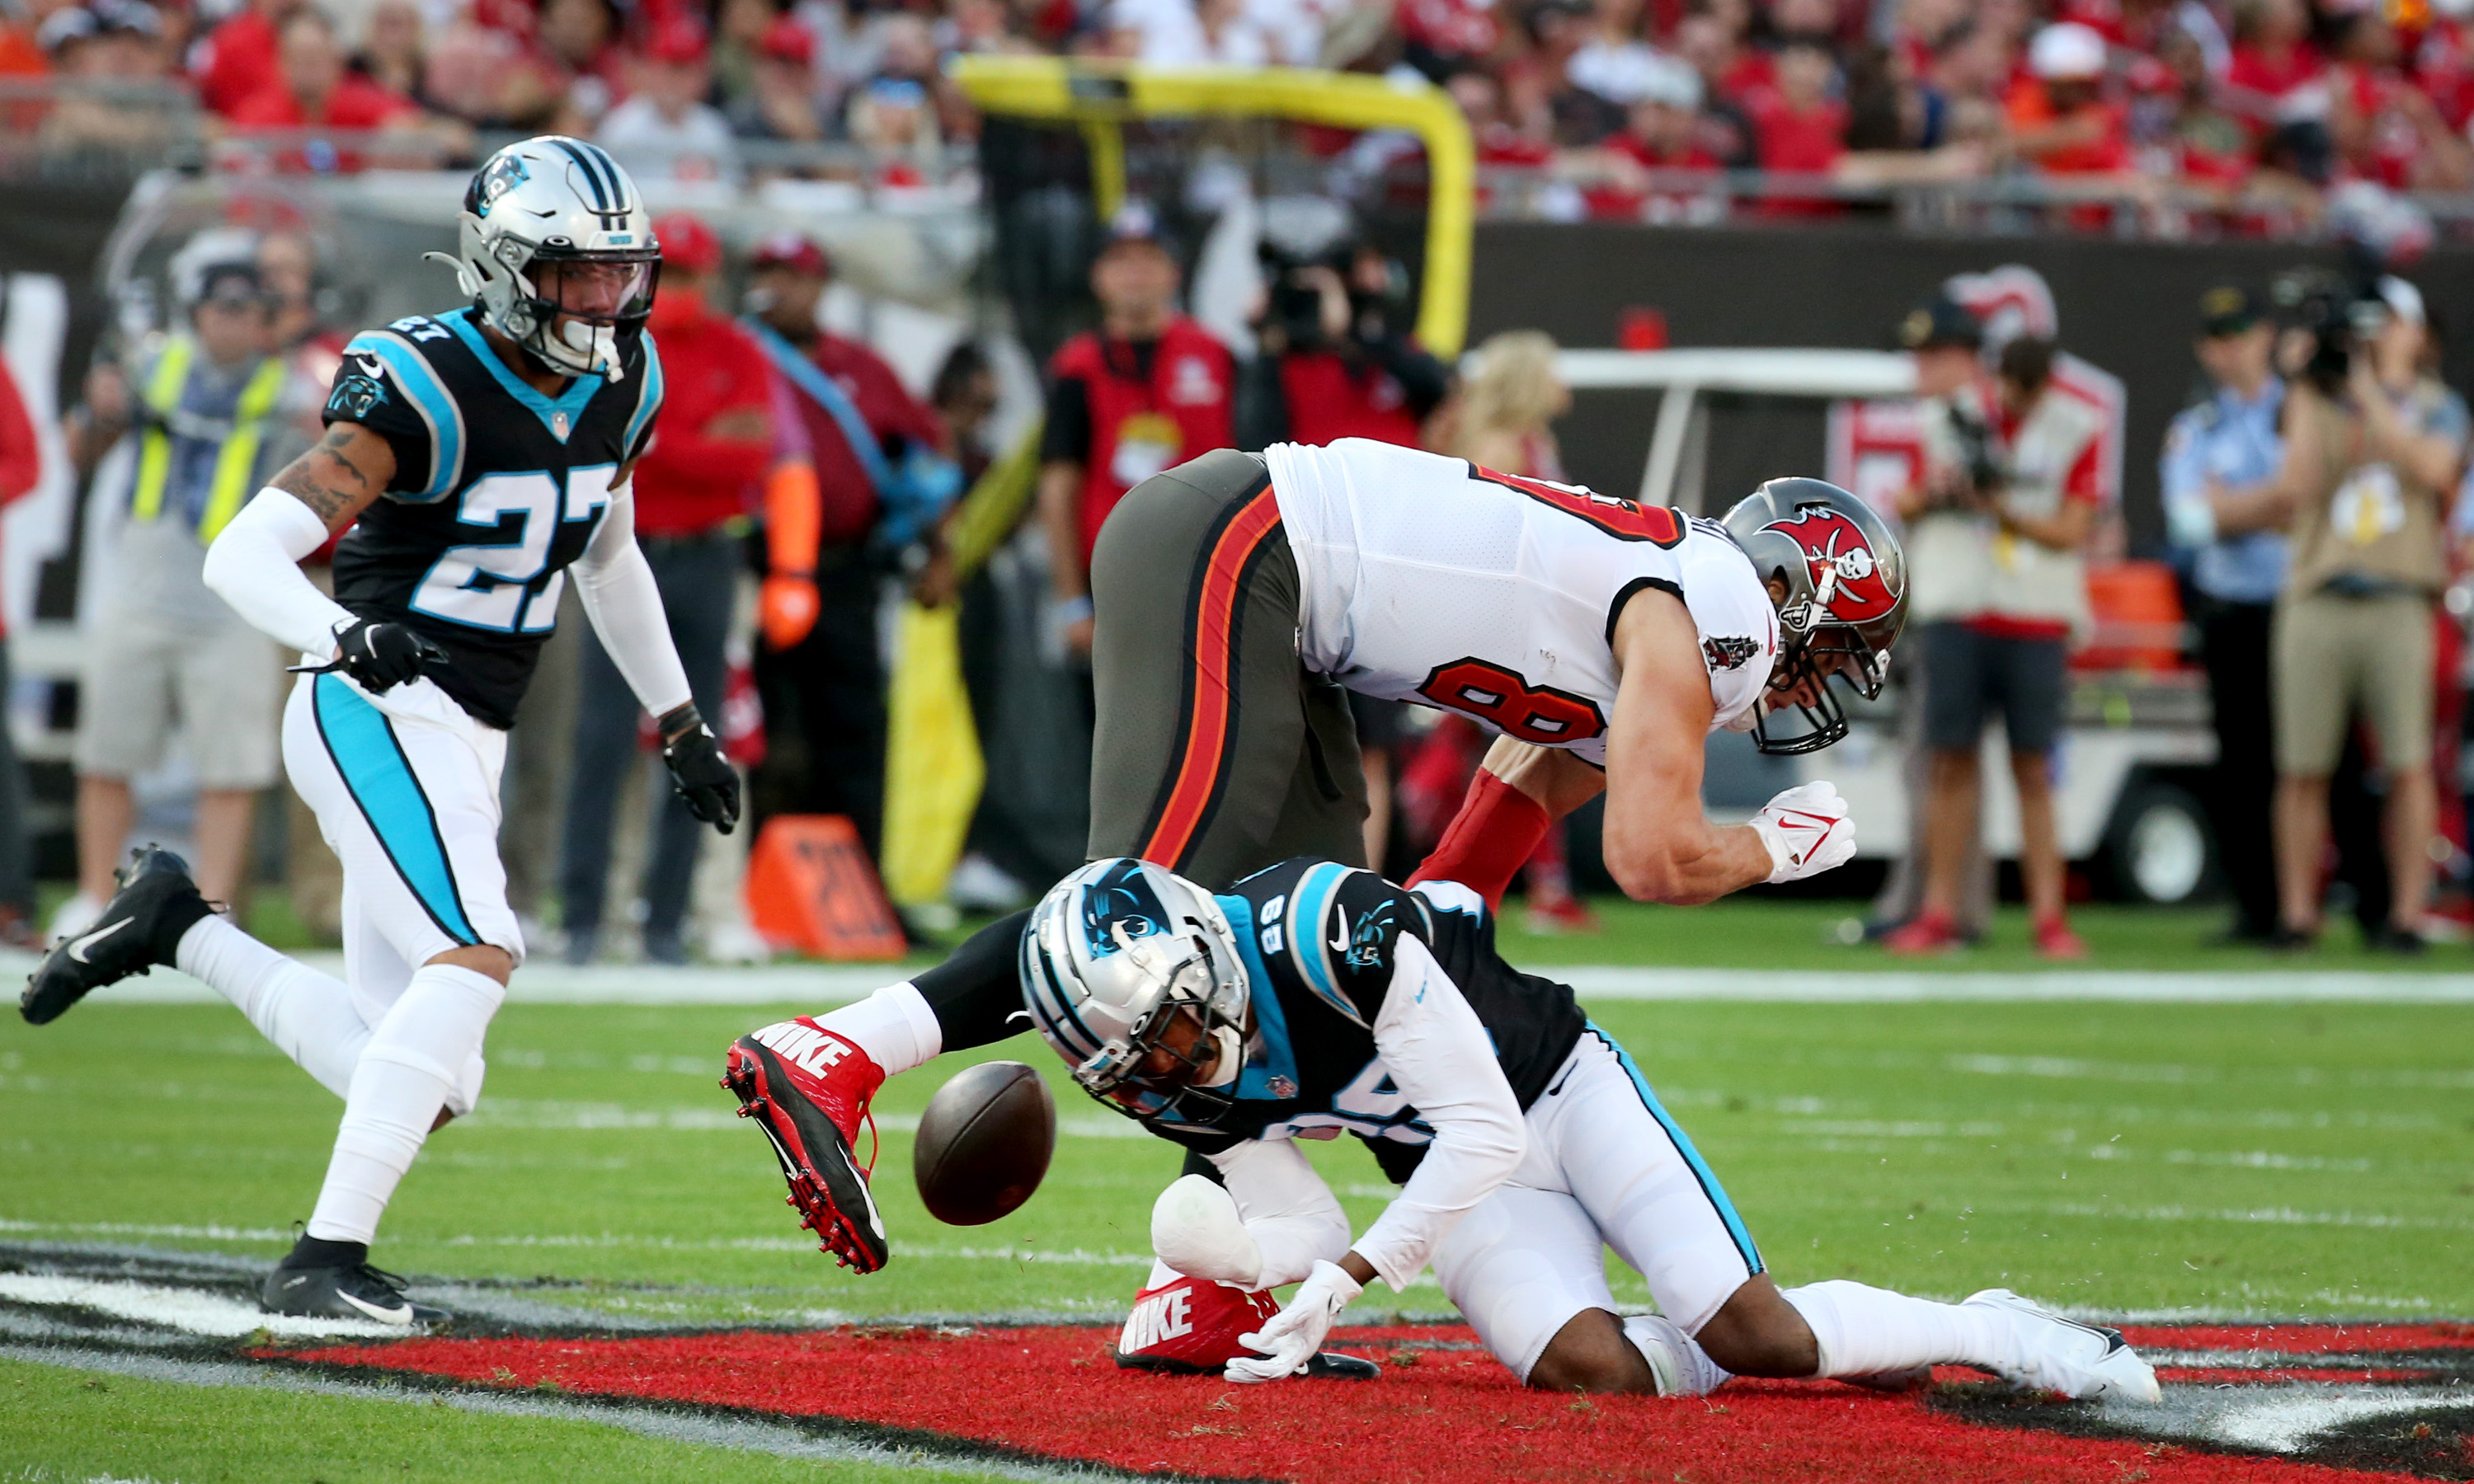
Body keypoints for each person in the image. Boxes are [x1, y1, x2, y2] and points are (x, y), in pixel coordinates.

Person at [721, 449, 1907, 1281]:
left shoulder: (1676, 614)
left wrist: (1435, 926)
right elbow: (1651, 860)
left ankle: (1196, 1287)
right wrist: (1785, 846)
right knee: (1138, 943)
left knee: (1303, 998)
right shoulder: (1720, 613)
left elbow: (1519, 790)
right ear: (1795, 594)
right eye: (1836, 652)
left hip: (1294, 617)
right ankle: (835, 1051)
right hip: (1244, 546)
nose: (1816, 688)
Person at [19, 137, 739, 1329]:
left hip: (469, 729)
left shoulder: (626, 377)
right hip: (377, 706)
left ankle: (178, 926)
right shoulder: (426, 382)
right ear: (506, 267)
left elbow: (605, 558)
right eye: (578, 275)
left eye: (621, 273)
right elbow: (241, 553)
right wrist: (342, 630)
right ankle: (320, 1259)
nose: (607, 300)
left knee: (428, 1080)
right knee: (479, 956)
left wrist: (679, 717)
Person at [727, 854, 2161, 1402]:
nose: (1183, 1054)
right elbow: (1289, 1190)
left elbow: (1477, 1126)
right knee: (1590, 1374)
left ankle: (1997, 1325)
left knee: (1756, 1335)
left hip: (1550, 1095)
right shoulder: (1150, 1065)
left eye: (1175, 1020)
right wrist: (1270, 1266)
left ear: (1195, 943)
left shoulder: (1323, 928)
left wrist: (1351, 1283)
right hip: (1441, 1167)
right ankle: (1873, 1345)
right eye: (1148, 1050)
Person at [59, 250, 300, 929]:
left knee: (229, 765)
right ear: (196, 314)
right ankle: (93, 895)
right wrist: (98, 411)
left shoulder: (290, 390)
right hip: (143, 585)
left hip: (233, 602)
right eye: (223, 308)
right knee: (107, 751)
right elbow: (77, 452)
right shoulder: (150, 368)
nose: (234, 324)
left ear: (266, 323)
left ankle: (211, 907)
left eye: (250, 311)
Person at [559, 214, 769, 965]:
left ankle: (666, 922)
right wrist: (695, 441)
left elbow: (747, 455)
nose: (676, 290)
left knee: (694, 737)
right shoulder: (610, 350)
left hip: (706, 555)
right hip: (622, 549)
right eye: (665, 274)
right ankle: (583, 914)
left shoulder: (733, 351)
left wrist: (659, 443)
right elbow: (608, 446)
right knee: (601, 741)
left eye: (688, 275)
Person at [1887, 321, 2105, 960]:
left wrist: (2004, 511)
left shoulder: (2076, 426)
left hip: (2035, 612)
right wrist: (1942, 495)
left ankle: (2049, 918)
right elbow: (1905, 499)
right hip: (1959, 605)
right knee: (1950, 762)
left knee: (2033, 769)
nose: (2020, 404)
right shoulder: (1948, 419)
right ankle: (1939, 912)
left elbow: (2071, 530)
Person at [2264, 275, 2468, 951]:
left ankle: (2408, 913)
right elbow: (2298, 487)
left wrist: (2372, 389)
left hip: (2397, 593)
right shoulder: (2321, 399)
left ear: (2414, 334)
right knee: (2301, 765)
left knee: (2409, 764)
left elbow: (2436, 470)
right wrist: (2304, 385)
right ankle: (2299, 913)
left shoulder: (2439, 406)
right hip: (2319, 590)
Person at [741, 231, 951, 857]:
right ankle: (757, 882)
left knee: (855, 725)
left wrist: (939, 550)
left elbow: (926, 457)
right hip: (756, 564)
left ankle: (863, 886)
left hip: (844, 570)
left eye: (795, 276)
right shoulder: (739, 354)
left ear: (822, 287)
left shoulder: (862, 367)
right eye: (769, 273)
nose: (780, 287)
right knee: (757, 726)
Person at [1437, 329, 1593, 932]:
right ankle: (1534, 888)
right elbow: (1489, 537)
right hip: (1500, 610)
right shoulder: (1499, 444)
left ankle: (1475, 881)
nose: (1563, 385)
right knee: (1525, 744)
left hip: (1525, 608)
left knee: (1500, 750)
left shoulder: (1529, 438)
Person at [1037, 208, 1235, 670]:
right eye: (1120, 260)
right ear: (1098, 277)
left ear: (1174, 273)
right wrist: (1071, 602)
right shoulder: (1078, 367)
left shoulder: (1217, 356)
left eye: (1148, 259)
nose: (1134, 274)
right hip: (1114, 583)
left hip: (1207, 577)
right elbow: (1057, 486)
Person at [2161, 285, 2288, 946]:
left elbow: (2315, 500)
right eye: (2217, 336)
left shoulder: (2300, 409)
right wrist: (2273, 505)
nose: (2227, 348)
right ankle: (2257, 907)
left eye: (2239, 332)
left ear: (2264, 335)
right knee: (2241, 764)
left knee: (2317, 761)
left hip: (2296, 605)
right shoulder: (2199, 421)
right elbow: (2189, 519)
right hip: (2232, 609)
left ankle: (2353, 903)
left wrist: (2233, 506)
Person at [1248, 237, 1452, 453]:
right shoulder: (1287, 361)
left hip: (1394, 474)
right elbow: (1258, 433)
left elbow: (1438, 388)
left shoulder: (1392, 353)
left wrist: (1348, 334)